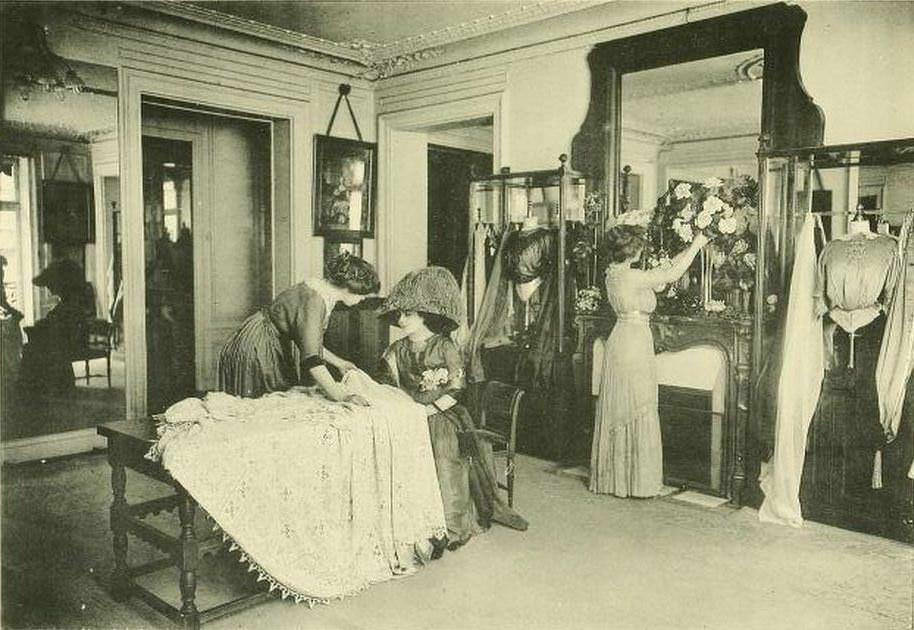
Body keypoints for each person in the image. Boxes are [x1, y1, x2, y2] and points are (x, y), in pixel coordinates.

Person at [379, 266, 528, 552]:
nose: (401, 320)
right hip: (407, 415)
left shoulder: (445, 346)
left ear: (425, 315)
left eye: (408, 314)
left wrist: (428, 411)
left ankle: (451, 526)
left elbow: (457, 389)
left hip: (443, 414)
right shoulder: (396, 349)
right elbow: (386, 384)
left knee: (444, 455)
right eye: (399, 315)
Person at [590, 225, 709, 497]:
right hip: (634, 343)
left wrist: (688, 247)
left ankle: (616, 481)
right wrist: (697, 245)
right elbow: (670, 275)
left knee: (623, 404)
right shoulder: (632, 276)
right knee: (639, 403)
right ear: (635, 250)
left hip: (620, 339)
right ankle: (638, 483)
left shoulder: (614, 274)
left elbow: (661, 277)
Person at [218, 253, 379, 404]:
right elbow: (312, 360)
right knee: (260, 403)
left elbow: (309, 342)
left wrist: (339, 363)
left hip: (263, 337)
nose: (363, 299)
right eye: (362, 294)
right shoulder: (315, 300)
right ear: (348, 287)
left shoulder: (319, 289)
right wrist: (341, 395)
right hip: (257, 346)